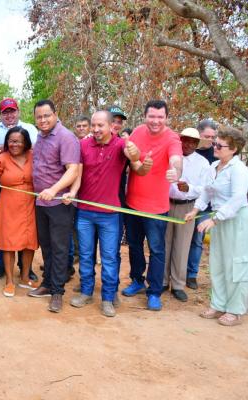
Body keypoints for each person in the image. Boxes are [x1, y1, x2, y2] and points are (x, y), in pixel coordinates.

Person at [65, 110, 148, 317]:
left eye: (100, 125)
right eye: (93, 125)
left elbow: (135, 160)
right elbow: (78, 172)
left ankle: (108, 298)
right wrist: (73, 193)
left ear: (112, 126)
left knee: (110, 258)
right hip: (85, 212)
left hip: (110, 214)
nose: (95, 129)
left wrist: (136, 153)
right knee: (85, 256)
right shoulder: (83, 144)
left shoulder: (121, 145)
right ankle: (86, 292)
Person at [185, 127, 248, 326]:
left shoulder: (239, 170)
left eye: (219, 145)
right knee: (218, 263)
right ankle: (218, 303)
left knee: (236, 265)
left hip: (237, 219)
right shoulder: (214, 165)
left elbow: (238, 198)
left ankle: (235, 310)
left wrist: (215, 219)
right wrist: (196, 210)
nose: (214, 147)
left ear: (233, 149)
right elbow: (206, 192)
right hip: (219, 219)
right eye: (215, 142)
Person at [121, 100, 183, 312]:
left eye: (160, 117)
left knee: (156, 250)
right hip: (133, 204)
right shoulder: (138, 132)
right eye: (152, 116)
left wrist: (176, 171)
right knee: (135, 246)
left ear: (166, 118)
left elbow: (176, 159)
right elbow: (131, 157)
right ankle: (137, 280)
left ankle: (154, 291)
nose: (156, 121)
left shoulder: (172, 138)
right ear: (145, 116)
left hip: (157, 208)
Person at [28, 99, 80, 313]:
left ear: (55, 114)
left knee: (60, 248)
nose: (43, 120)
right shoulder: (40, 137)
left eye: (47, 115)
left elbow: (73, 170)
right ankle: (47, 283)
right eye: (39, 117)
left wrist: (54, 189)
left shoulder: (66, 137)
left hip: (59, 203)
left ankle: (57, 292)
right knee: (47, 246)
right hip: (41, 202)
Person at [0, 98, 39, 280]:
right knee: (6, 237)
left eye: (12, 111)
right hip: (5, 195)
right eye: (5, 112)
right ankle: (3, 270)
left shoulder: (31, 131)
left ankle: (26, 272)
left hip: (30, 200)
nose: (9, 115)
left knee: (28, 238)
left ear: (18, 111)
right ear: (0, 114)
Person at [163, 128, 210, 302]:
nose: (189, 144)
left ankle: (177, 285)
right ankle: (162, 280)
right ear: (180, 140)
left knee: (182, 246)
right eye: (186, 140)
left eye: (193, 142)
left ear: (197, 144)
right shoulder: (170, 156)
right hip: (166, 204)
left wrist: (189, 188)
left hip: (188, 207)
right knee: (164, 243)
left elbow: (205, 189)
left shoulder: (203, 163)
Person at [186, 119, 218, 289]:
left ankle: (191, 274)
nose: (211, 140)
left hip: (206, 205)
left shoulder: (216, 153)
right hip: (186, 201)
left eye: (213, 137)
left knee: (197, 240)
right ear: (199, 134)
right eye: (207, 136)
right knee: (181, 240)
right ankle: (177, 271)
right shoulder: (187, 148)